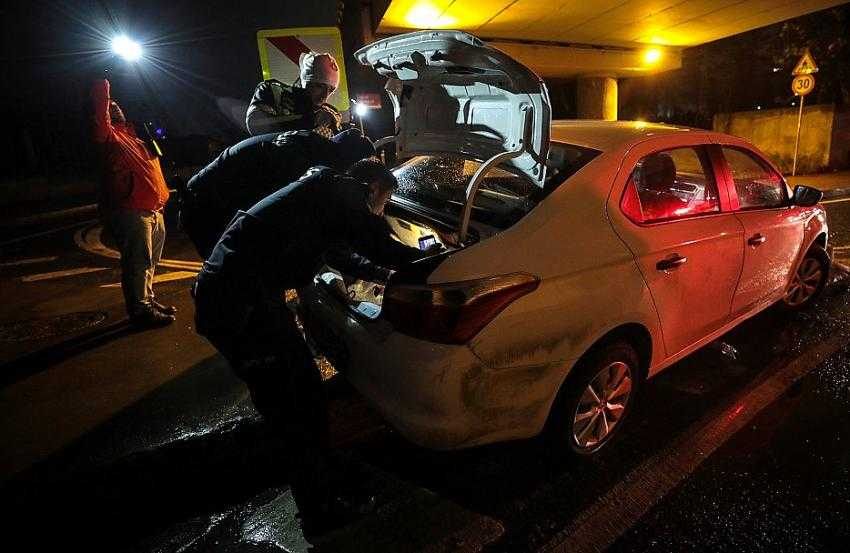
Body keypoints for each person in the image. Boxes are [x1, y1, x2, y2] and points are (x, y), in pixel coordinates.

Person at [192, 159, 425, 531]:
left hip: (240, 298)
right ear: (374, 189)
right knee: (295, 406)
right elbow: (378, 243)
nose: (382, 211)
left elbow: (337, 253)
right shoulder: (346, 195)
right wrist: (432, 263)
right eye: (384, 203)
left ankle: (322, 481)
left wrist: (385, 275)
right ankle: (318, 509)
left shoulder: (322, 192)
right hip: (239, 309)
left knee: (300, 396)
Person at [181, 128, 375, 259]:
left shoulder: (308, 144)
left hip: (213, 201)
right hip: (207, 208)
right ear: (345, 160)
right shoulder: (296, 158)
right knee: (234, 277)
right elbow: (289, 215)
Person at [91, 78, 176, 327]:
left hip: (153, 208)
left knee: (149, 261)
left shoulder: (133, 134)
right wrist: (102, 81)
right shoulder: (107, 138)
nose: (115, 107)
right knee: (137, 261)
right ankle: (139, 310)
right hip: (132, 210)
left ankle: (147, 299)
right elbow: (99, 110)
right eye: (110, 105)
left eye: (116, 104)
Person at [245, 52, 342, 137]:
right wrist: (309, 121)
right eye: (319, 86)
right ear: (306, 82)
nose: (324, 96)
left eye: (331, 90)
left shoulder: (329, 111)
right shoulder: (273, 91)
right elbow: (256, 125)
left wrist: (333, 124)